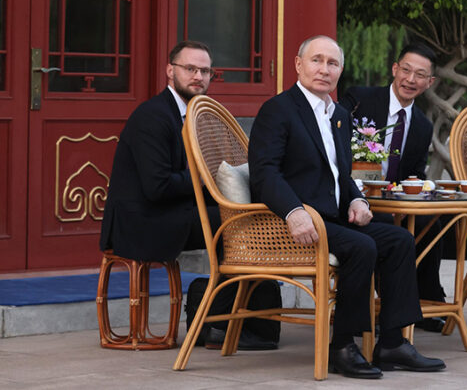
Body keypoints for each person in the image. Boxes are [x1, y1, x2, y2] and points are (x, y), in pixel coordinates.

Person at [248, 35, 445, 379]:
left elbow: (342, 174)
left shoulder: (339, 115)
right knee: (362, 246)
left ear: (340, 71)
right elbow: (264, 174)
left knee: (399, 241)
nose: (324, 69)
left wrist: (357, 198)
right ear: (298, 64)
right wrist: (294, 212)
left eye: (332, 63)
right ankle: (342, 346)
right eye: (316, 60)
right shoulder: (278, 110)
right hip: (293, 223)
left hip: (334, 218)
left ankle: (393, 343)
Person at [100, 40, 276, 351]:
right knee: (236, 226)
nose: (198, 76)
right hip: (141, 221)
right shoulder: (153, 116)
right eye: (190, 69)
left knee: (249, 219)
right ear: (170, 71)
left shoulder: (196, 114)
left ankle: (232, 323)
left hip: (172, 210)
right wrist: (210, 181)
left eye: (205, 71)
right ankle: (220, 322)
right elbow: (158, 188)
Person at [340, 43, 447, 332]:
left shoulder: (423, 126)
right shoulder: (359, 99)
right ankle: (391, 306)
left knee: (431, 224)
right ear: (395, 69)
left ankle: (427, 300)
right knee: (392, 230)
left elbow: (412, 174)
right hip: (351, 197)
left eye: (420, 75)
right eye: (407, 70)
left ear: (429, 83)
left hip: (391, 198)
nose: (411, 80)